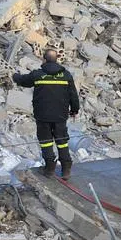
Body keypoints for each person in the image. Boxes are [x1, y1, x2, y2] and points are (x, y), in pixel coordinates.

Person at [13, 49, 80, 179]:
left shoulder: (38, 75)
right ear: (57, 60)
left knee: (46, 142)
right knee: (62, 141)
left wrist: (14, 76)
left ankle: (49, 169)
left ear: (44, 59)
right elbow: (73, 95)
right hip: (60, 116)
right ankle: (66, 169)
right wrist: (74, 110)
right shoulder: (66, 75)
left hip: (42, 116)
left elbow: (23, 81)